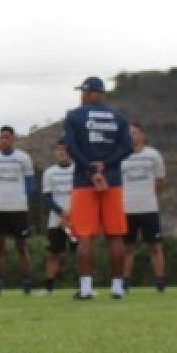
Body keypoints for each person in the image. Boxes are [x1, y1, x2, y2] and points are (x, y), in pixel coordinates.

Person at [63, 76, 132, 300]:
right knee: (115, 236)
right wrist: (106, 166)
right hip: (112, 180)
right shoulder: (119, 117)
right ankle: (117, 287)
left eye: (82, 92)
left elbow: (71, 147)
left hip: (84, 182)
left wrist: (90, 170)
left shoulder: (74, 116)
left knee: (84, 236)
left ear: (88, 92)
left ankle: (85, 289)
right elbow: (128, 147)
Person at [0, 126, 35, 296]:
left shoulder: (24, 158)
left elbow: (29, 185)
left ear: (13, 139)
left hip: (19, 209)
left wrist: (18, 198)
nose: (3, 140)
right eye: (1, 137)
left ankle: (27, 283)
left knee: (21, 247)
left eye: (7, 137)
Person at [120, 123, 167, 293]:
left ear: (142, 135)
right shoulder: (121, 156)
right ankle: (124, 281)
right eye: (128, 133)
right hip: (127, 209)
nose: (131, 136)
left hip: (148, 208)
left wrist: (149, 196)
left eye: (134, 133)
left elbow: (160, 181)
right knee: (127, 247)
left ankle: (160, 281)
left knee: (155, 246)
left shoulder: (153, 155)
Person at [37, 140, 76, 297]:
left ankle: (85, 286)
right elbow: (47, 197)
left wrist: (71, 214)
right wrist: (61, 213)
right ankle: (48, 288)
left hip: (76, 219)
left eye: (64, 150)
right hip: (56, 221)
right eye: (58, 150)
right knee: (53, 254)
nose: (61, 152)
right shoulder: (49, 172)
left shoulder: (78, 170)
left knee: (81, 252)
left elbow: (82, 194)